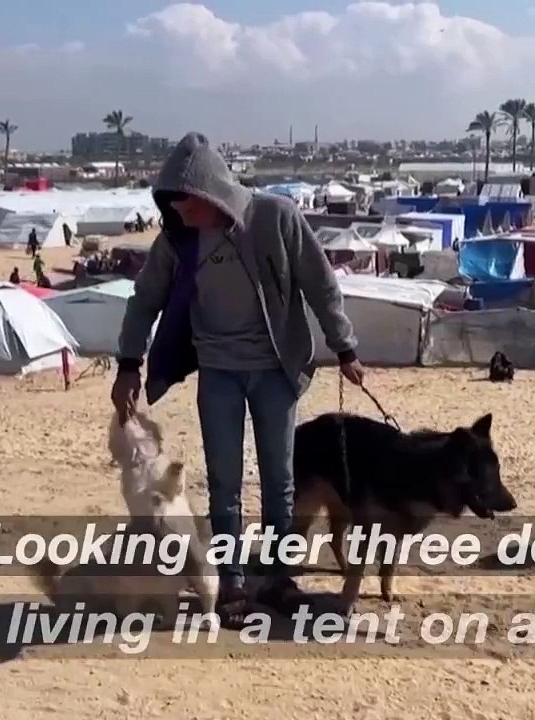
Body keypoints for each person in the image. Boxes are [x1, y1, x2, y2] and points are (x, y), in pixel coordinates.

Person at [111, 131, 363, 626]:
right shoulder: (179, 239)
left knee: (280, 480)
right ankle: (231, 580)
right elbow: (144, 300)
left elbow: (320, 283)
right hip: (219, 371)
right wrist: (127, 363)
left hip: (276, 368)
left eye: (185, 205)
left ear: (209, 195)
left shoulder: (276, 217)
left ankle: (277, 578)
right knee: (224, 481)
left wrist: (345, 347)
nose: (178, 215)